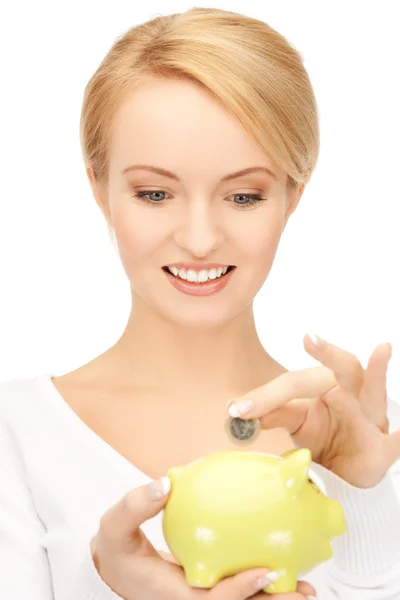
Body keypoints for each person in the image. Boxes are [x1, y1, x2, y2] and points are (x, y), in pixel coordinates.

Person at [1, 6, 399, 599]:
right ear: (99, 189)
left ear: (293, 196)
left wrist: (368, 493)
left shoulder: (367, 441)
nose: (200, 237)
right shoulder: (17, 434)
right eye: (155, 193)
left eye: (242, 196)